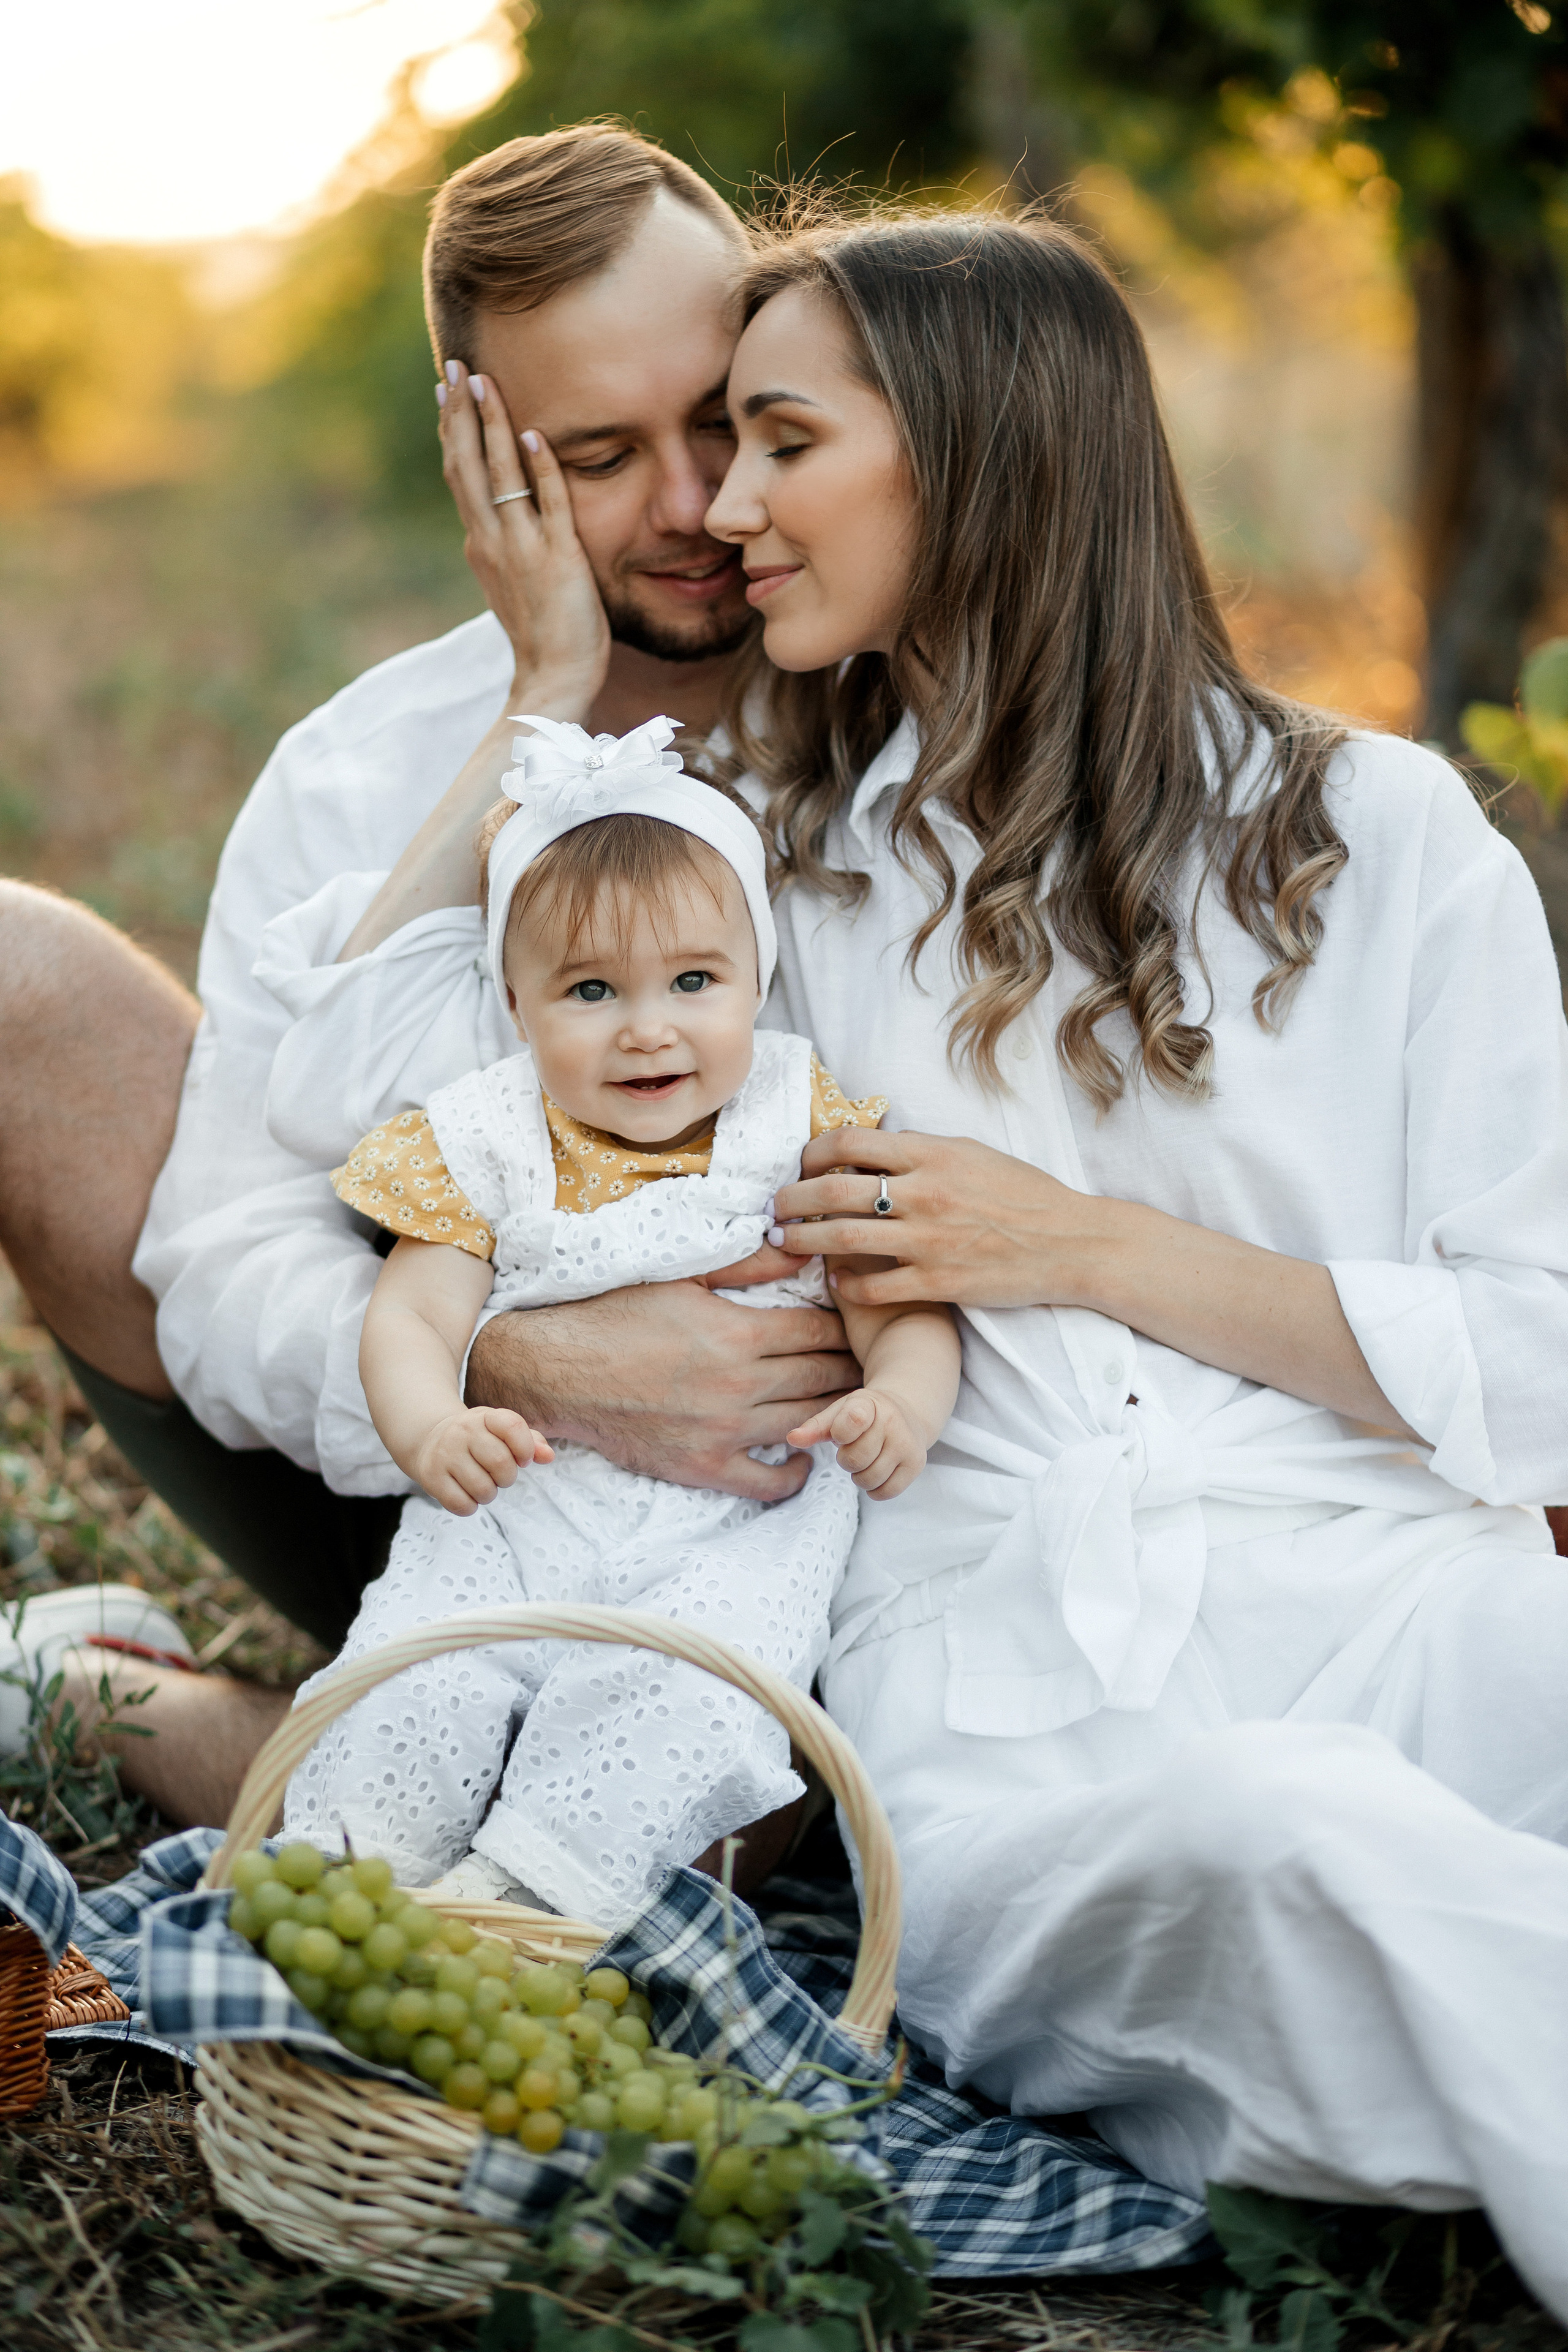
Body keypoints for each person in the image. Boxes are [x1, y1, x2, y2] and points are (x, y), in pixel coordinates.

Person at [280, 197, 1568, 2316]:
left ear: (979, 457)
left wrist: (1088, 1250)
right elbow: (350, 1085)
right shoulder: (763, 880)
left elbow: (1542, 1369)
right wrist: (547, 685)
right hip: (1013, 1714)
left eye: (782, 441)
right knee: (1287, 1840)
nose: (725, 509)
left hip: (1401, 1593)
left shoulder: (1388, 837)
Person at [13, 126, 863, 1822]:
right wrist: (521, 1363)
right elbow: (229, 1265)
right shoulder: (364, 770)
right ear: (484, 461)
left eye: (721, 419)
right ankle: (107, 1700)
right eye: (599, 456)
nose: (692, 505)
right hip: (470, 1488)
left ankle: (245, 1732)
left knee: (706, 1821)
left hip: (836, 1512)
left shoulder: (917, 701)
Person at [274, 719, 957, 1917]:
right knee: (418, 1673)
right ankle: (349, 1875)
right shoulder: (481, 1135)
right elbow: (414, 1317)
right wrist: (432, 1426)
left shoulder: (799, 1121)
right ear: (517, 1002)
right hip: (516, 1511)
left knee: (691, 1699)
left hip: (732, 1537)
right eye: (591, 990)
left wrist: (902, 1397)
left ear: (755, 978)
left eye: (694, 982)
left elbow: (893, 1296)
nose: (648, 1027)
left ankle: (528, 1905)